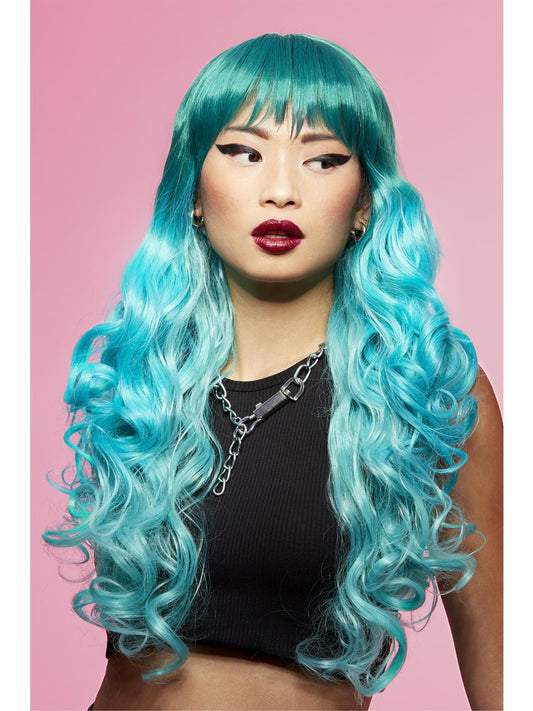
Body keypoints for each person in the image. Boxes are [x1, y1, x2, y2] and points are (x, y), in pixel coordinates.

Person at [43, 33, 503, 711]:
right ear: (194, 191)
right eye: (244, 152)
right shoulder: (142, 378)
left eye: (323, 160)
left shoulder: (428, 392)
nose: (280, 191)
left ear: (365, 202)